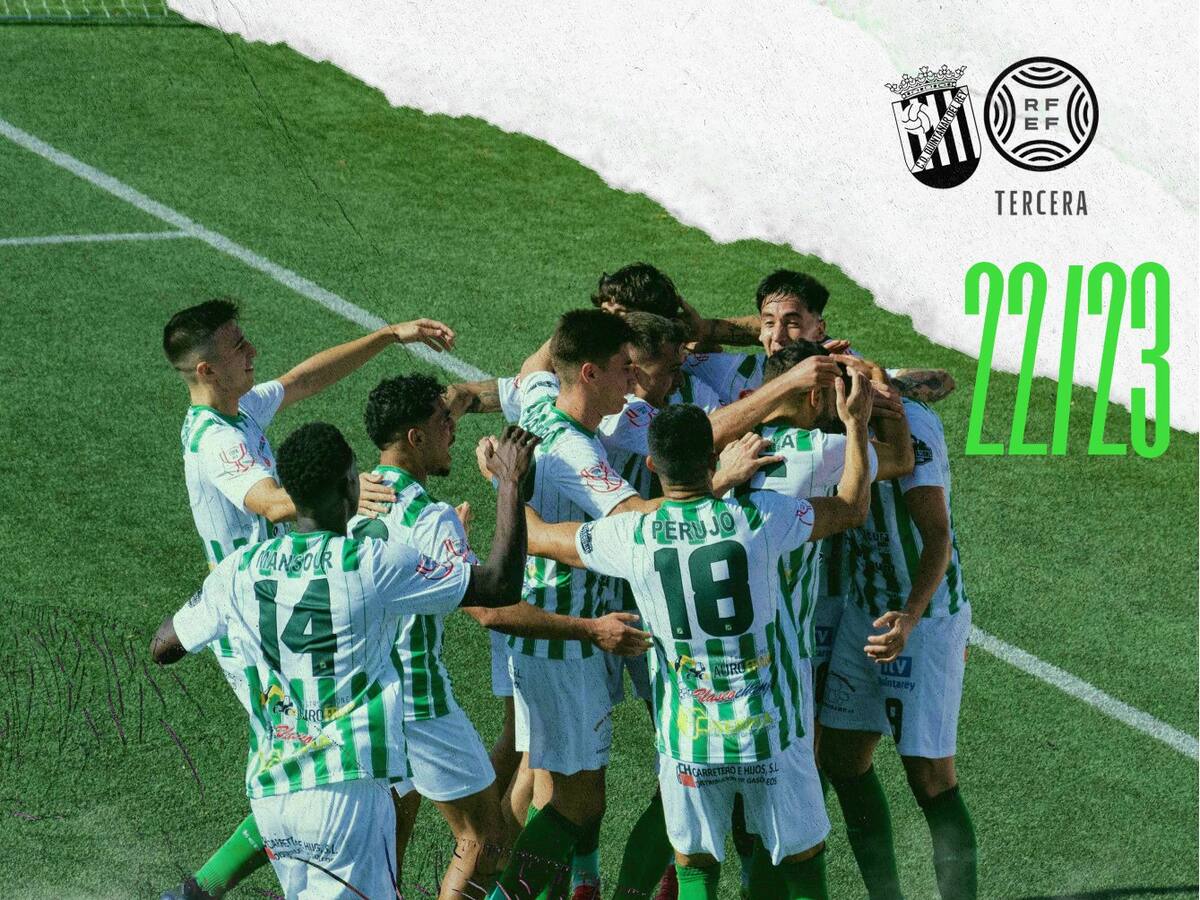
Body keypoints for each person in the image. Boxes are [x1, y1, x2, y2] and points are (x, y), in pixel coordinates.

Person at [523, 374, 876, 900]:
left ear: (651, 466)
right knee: (802, 865)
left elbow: (536, 538)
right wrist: (856, 425)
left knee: (696, 870)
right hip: (770, 731)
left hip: (689, 740)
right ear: (715, 461)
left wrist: (508, 483)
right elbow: (851, 506)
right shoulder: (760, 517)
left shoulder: (632, 535)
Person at [150, 421, 538, 899]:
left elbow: (164, 646)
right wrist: (510, 482)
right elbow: (499, 585)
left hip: (272, 799)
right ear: (350, 488)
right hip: (345, 794)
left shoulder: (240, 569)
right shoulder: (372, 563)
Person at [159, 297, 455, 900]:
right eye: (238, 346)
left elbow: (301, 380)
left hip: (284, 601)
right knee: (316, 768)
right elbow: (270, 502)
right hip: (254, 628)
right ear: (207, 370)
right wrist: (340, 490)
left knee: (327, 768)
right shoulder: (216, 442)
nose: (252, 351)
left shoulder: (239, 411)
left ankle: (202, 891)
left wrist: (388, 334)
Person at [347, 375, 651, 898]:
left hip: (358, 694)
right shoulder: (429, 518)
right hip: (419, 699)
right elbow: (491, 607)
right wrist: (589, 628)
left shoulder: (353, 501)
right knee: (486, 839)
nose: (453, 429)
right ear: (415, 438)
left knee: (387, 826)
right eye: (443, 421)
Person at [817, 398, 976, 900]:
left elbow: (938, 537)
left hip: (922, 621)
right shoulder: (832, 425)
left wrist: (910, 616)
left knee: (930, 778)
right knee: (842, 757)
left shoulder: (912, 428)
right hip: (865, 610)